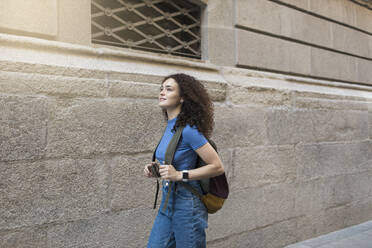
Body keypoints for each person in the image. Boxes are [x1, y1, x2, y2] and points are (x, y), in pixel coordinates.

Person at [144, 73, 225, 248]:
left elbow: (217, 166)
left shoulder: (189, 130)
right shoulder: (170, 127)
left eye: (169, 89)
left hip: (188, 205)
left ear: (182, 98)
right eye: (161, 89)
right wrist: (156, 169)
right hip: (167, 203)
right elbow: (175, 160)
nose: (162, 92)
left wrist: (180, 174)